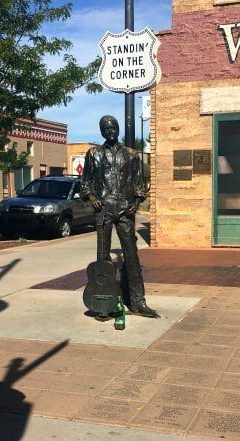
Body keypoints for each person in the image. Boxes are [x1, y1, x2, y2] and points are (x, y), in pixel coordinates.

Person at [81, 115, 159, 318]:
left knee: (132, 257)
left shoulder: (132, 155)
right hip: (104, 210)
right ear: (101, 132)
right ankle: (104, 304)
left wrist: (135, 203)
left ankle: (137, 302)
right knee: (102, 258)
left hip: (125, 209)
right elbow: (86, 181)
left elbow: (139, 183)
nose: (110, 131)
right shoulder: (93, 154)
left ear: (118, 129)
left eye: (113, 127)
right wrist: (91, 197)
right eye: (106, 129)